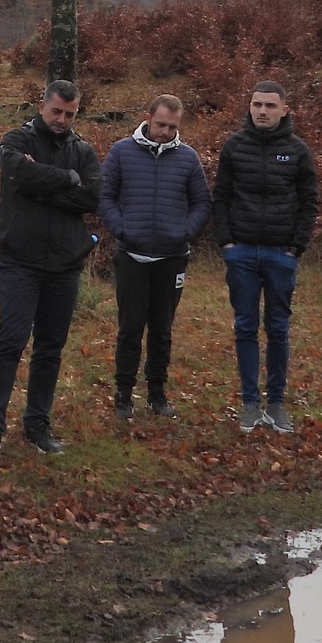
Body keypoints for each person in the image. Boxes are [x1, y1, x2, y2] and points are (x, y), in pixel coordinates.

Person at [0, 80, 102, 457]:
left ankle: (37, 425)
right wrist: (66, 180)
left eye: (70, 114)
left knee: (50, 348)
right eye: (56, 112)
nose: (62, 120)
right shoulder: (17, 140)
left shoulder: (83, 150)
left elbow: (92, 196)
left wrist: (40, 182)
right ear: (41, 106)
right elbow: (19, 176)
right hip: (19, 261)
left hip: (65, 263)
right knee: (10, 341)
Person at [211, 81, 319, 434]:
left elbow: (309, 201)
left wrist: (295, 247)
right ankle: (249, 403)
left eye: (270, 105)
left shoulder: (297, 150)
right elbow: (221, 197)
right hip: (241, 252)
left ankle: (276, 402)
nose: (262, 111)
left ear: (284, 109)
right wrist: (226, 243)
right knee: (245, 326)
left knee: (277, 328)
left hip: (280, 254)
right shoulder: (234, 146)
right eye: (257, 104)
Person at [96, 93, 211, 420]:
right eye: (161, 124)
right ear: (148, 117)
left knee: (162, 330)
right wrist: (122, 229)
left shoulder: (188, 158)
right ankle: (123, 396)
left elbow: (202, 202)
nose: (165, 131)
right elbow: (105, 197)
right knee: (130, 328)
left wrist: (185, 231)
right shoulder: (121, 152)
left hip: (172, 258)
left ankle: (157, 395)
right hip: (132, 256)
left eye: (172, 126)